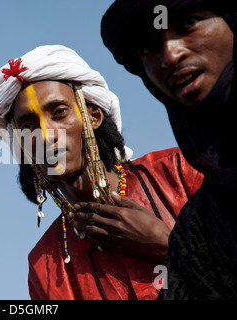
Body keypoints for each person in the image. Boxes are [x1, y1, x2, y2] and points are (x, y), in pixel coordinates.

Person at [0, 45, 203, 300]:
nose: (46, 135)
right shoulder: (45, 268)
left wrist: (166, 244)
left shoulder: (182, 171)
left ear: (93, 115)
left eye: (59, 112)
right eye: (28, 126)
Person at [101, 0, 237, 299]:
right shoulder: (202, 223)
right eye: (147, 48)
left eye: (188, 24)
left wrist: (161, 242)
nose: (171, 56)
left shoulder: (175, 170)